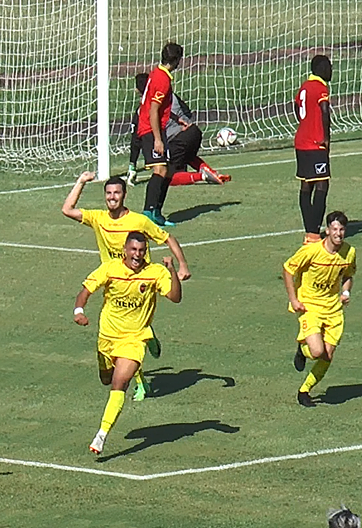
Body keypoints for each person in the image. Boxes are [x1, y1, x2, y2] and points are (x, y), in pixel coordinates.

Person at [62, 172, 191, 401]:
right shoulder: (98, 218)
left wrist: (182, 265)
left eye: (117, 193)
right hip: (114, 279)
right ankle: (146, 342)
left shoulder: (138, 221)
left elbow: (167, 237)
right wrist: (81, 182)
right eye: (109, 193)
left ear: (124, 195)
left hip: (143, 281)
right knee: (118, 339)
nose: (112, 197)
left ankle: (140, 378)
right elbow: (67, 209)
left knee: (131, 332)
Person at [73, 231, 182, 455]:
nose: (137, 255)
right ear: (125, 249)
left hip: (134, 339)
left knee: (119, 383)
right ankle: (146, 339)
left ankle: (101, 436)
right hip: (107, 337)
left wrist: (172, 270)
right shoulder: (110, 269)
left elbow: (175, 297)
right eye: (133, 249)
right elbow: (85, 291)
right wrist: (79, 311)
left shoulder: (155, 272)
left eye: (141, 250)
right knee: (106, 378)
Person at [282, 211, 356, 407]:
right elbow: (288, 269)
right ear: (327, 231)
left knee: (327, 356)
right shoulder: (312, 251)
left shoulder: (349, 252)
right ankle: (302, 348)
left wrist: (346, 293)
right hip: (310, 307)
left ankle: (304, 391)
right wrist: (293, 299)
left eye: (341, 230)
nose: (338, 234)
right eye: (334, 229)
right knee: (316, 352)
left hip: (334, 310)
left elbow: (348, 275)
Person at [128, 73, 231, 191]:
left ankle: (202, 176)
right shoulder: (170, 96)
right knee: (186, 155)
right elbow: (187, 111)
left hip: (178, 140)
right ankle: (212, 172)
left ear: (137, 90)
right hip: (194, 132)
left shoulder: (143, 111)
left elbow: (136, 141)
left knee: (166, 176)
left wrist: (132, 165)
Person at [139, 42, 184, 227]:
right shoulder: (163, 80)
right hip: (150, 129)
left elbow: (156, 104)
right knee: (160, 170)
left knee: (166, 171)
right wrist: (158, 139)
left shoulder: (158, 73)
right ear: (177, 60)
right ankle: (148, 213)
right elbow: (153, 110)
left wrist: (174, 117)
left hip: (156, 127)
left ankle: (156, 212)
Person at [294, 54, 333, 244]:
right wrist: (325, 138)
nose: (331, 70)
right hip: (315, 143)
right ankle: (313, 231)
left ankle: (310, 231)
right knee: (322, 184)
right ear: (322, 69)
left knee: (305, 185)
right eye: (329, 67)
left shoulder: (304, 87)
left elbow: (296, 108)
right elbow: (325, 111)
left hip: (301, 141)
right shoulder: (320, 88)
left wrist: (306, 124)